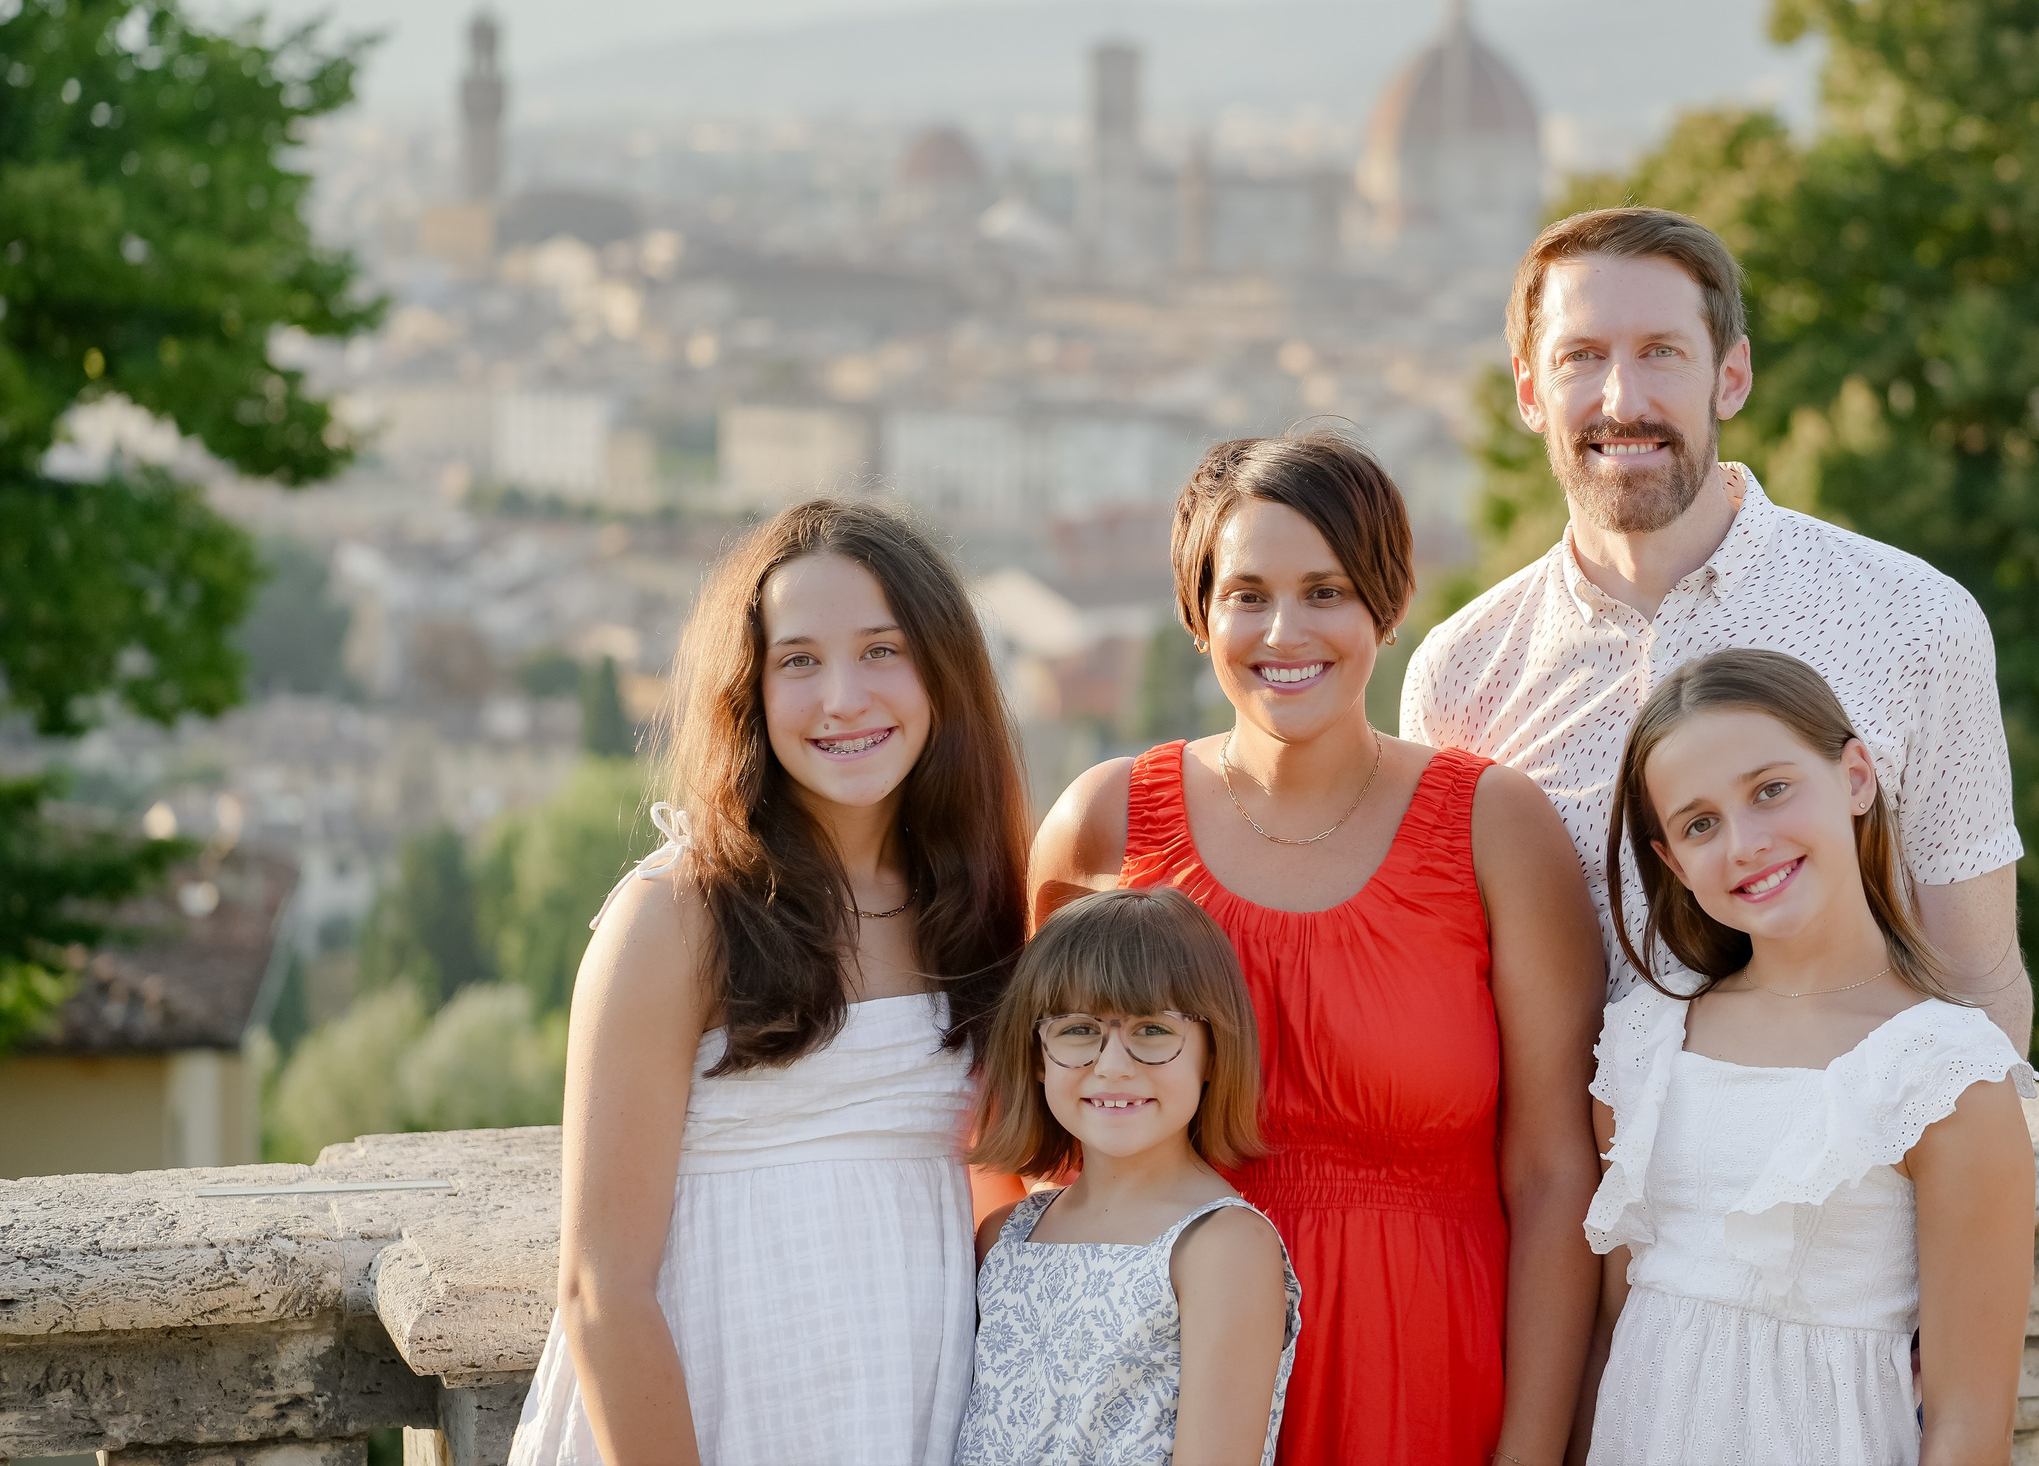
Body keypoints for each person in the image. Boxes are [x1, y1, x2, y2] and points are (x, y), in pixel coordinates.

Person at [1032, 430, 1605, 1466]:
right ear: (1197, 615)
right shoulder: (1103, 828)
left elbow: (1554, 1175)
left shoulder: (1495, 830)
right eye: (1245, 593)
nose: (1283, 629)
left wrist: (1531, 1453)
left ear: (1386, 606)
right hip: (1167, 1394)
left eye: (1326, 590)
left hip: (1429, 1380)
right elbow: (1036, 1156)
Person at [1400, 206, 2031, 1047]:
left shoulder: (1915, 618)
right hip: (1587, 1174)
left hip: (1850, 1169)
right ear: (1529, 391)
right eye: (1582, 357)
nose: (1623, 398)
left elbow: (1978, 979)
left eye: (1662, 351)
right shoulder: (1460, 674)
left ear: (1730, 376)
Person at [511, 500, 1030, 1466]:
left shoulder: (973, 908)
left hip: (907, 1412)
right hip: (709, 1416)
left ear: (943, 672)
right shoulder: (674, 914)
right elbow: (599, 1289)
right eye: (799, 660)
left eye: (883, 650)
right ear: (748, 691)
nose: (842, 696)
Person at [1581, 648, 2035, 1466]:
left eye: (1771, 789)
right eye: (1700, 823)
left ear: (1856, 776)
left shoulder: (1945, 1073)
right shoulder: (1645, 1045)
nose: (1746, 842)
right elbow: (1613, 1328)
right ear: (1674, 863)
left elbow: (1970, 1423)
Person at [959, 886, 1301, 1466]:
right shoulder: (1003, 1238)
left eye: (1152, 1030)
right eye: (1077, 1030)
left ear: (1213, 1051)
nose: (1112, 1066)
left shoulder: (1222, 1246)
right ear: (1037, 1056)